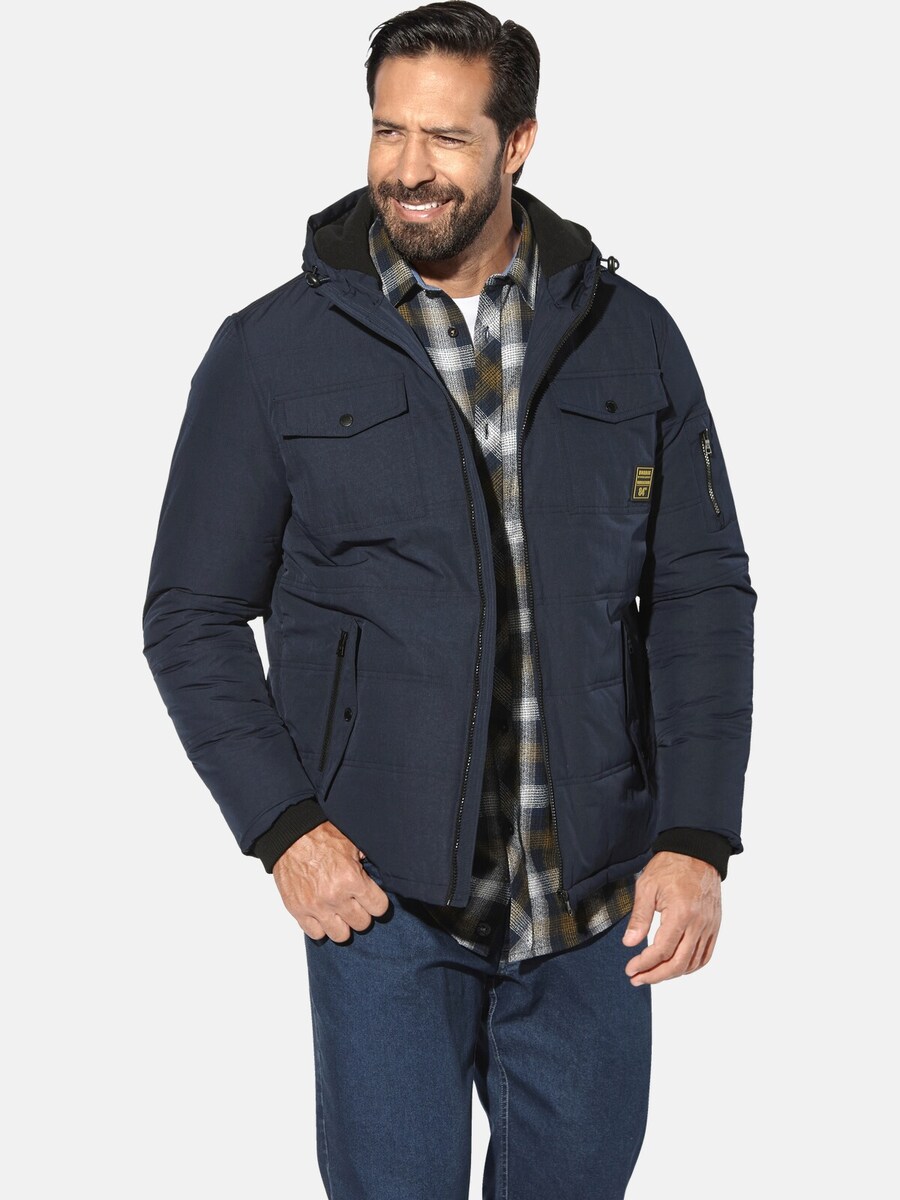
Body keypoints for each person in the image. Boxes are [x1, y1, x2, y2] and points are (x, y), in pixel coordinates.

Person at [142, 3, 755, 1196]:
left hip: (595, 905)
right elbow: (190, 613)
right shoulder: (271, 351)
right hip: (383, 903)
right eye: (388, 131)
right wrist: (285, 831)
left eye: (446, 138)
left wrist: (696, 836)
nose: (408, 168)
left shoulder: (633, 340)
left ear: (517, 143)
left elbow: (700, 595)